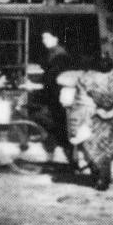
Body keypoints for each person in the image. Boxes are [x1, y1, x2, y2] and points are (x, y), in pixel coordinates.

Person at [71, 59, 113, 191]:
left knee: (92, 147)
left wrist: (93, 110)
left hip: (93, 118)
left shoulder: (86, 79)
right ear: (112, 69)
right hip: (111, 119)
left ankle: (98, 177)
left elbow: (81, 100)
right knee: (108, 148)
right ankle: (104, 177)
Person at [37, 32, 77, 170]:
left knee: (58, 124)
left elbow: (53, 76)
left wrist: (43, 82)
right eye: (43, 38)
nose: (44, 41)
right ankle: (61, 156)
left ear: (56, 38)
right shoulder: (53, 53)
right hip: (55, 95)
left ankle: (67, 157)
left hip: (58, 96)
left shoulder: (59, 55)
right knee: (58, 124)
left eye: (48, 38)